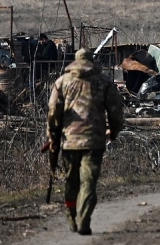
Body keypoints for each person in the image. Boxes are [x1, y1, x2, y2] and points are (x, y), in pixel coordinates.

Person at [47, 48, 124, 235]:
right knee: (88, 182)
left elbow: (53, 111)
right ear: (91, 61)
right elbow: (116, 109)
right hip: (94, 140)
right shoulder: (104, 81)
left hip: (68, 140)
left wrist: (52, 135)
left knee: (71, 182)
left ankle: (72, 218)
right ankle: (84, 220)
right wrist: (114, 130)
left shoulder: (62, 82)